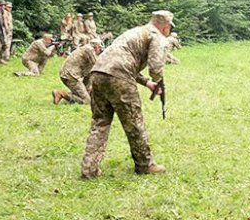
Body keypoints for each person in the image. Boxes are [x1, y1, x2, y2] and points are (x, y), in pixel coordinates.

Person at [80, 10, 173, 179]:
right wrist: (158, 79)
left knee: (100, 122)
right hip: (120, 77)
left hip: (98, 73)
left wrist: (147, 83)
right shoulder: (157, 36)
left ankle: (89, 169)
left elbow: (118, 61)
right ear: (166, 27)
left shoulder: (134, 32)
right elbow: (155, 67)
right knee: (134, 123)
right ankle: (145, 165)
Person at [53, 38, 103, 105]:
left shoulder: (87, 48)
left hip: (69, 74)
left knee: (86, 93)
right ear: (96, 46)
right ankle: (62, 94)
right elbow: (97, 64)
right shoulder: (89, 50)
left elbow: (90, 71)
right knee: (87, 101)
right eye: (100, 48)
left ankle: (71, 98)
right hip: (70, 76)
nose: (100, 50)